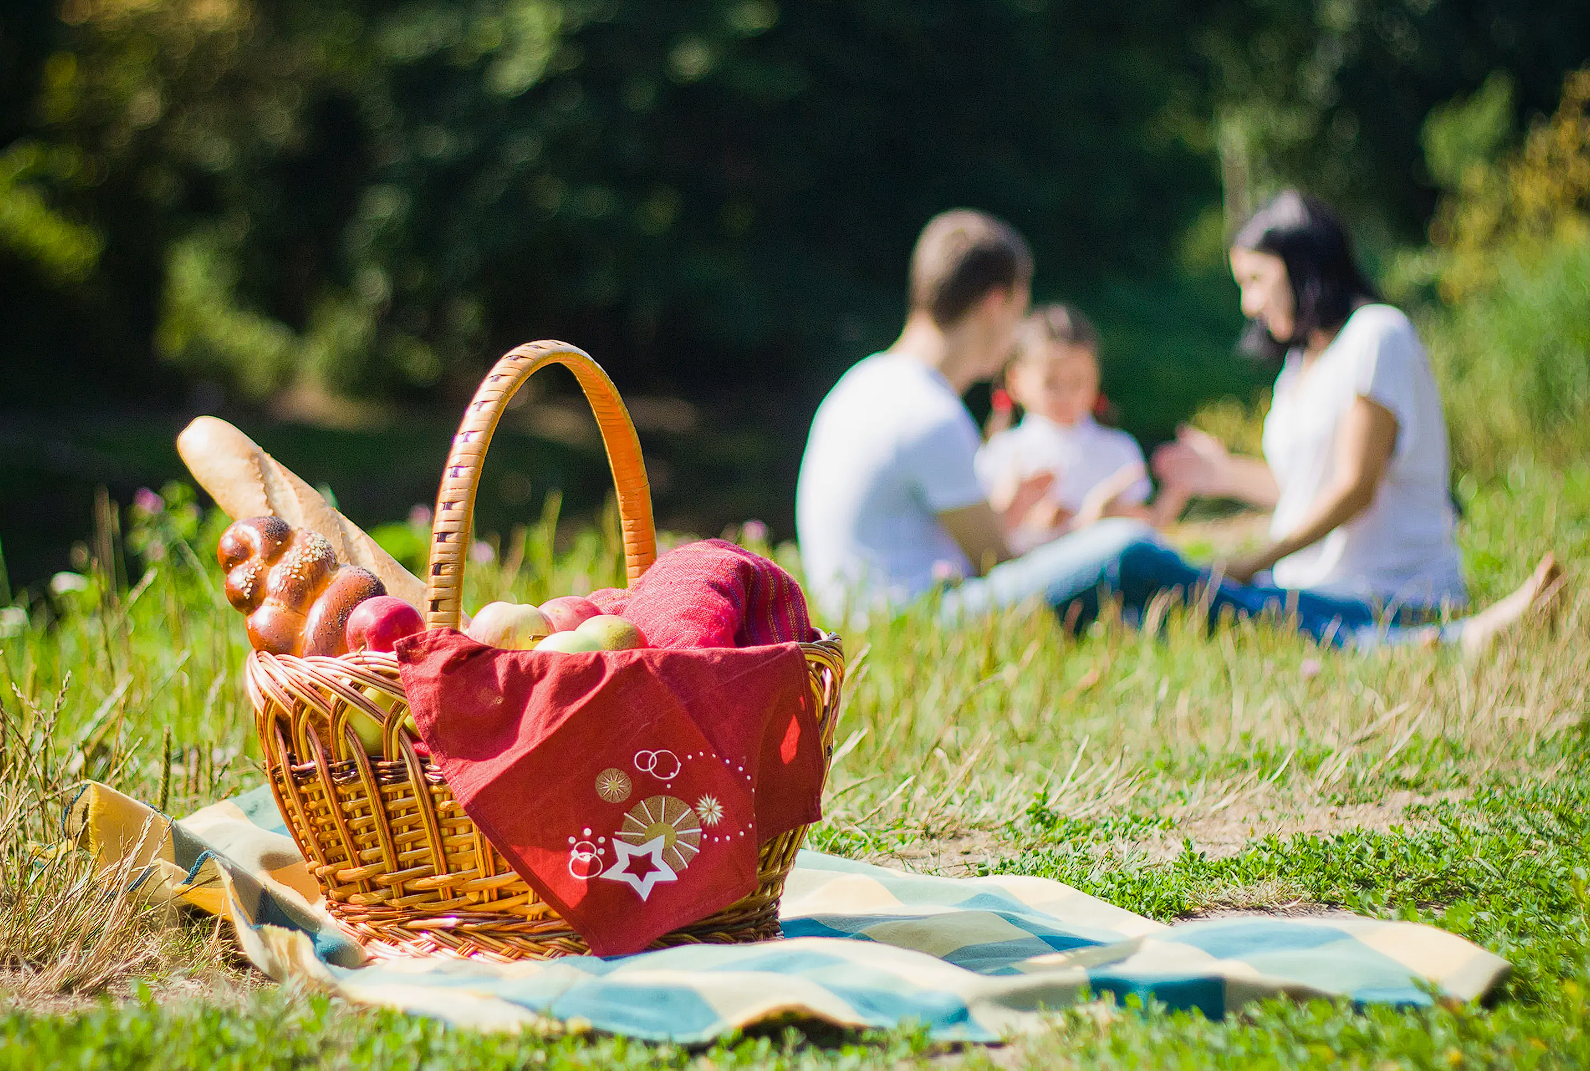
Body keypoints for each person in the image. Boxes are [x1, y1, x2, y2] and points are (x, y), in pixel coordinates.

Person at [1011, 190, 1559, 653]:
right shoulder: (1298, 366)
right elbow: (1303, 489)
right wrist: (1221, 473)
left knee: (1149, 568)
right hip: (1307, 583)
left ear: (1302, 268)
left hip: (1384, 588)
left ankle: (1459, 639)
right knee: (1153, 602)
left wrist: (1252, 561)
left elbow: (1353, 487)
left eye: (1256, 280)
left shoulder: (1376, 335)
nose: (1249, 303)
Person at [796, 209, 1050, 619]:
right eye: (1020, 312)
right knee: (1124, 548)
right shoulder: (931, 413)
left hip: (858, 616)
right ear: (995, 304)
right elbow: (1000, 565)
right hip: (915, 616)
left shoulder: (861, 383)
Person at [976, 304, 1186, 553]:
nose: (1065, 395)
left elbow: (1147, 536)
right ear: (1016, 380)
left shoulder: (1119, 448)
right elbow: (987, 548)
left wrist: (1176, 491)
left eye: (1078, 382)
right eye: (1050, 383)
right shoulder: (1002, 453)